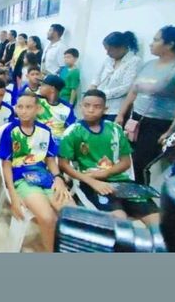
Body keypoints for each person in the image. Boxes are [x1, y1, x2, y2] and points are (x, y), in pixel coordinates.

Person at [59, 90, 159, 227]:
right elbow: (64, 165)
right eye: (87, 105)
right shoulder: (72, 132)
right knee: (119, 220)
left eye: (97, 106)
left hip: (122, 182)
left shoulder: (115, 130)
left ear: (105, 109)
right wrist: (93, 181)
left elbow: (126, 162)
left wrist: (104, 173)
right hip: (90, 183)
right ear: (81, 106)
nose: (91, 110)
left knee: (157, 221)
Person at [0, 92, 72, 252]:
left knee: (72, 214)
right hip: (22, 180)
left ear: (38, 109)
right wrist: (13, 195)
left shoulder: (45, 130)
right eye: (20, 107)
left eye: (28, 107)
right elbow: (6, 165)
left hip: (45, 177)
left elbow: (50, 159)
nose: (23, 111)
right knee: (48, 218)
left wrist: (59, 178)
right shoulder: (10, 131)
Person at [115, 26, 175, 183]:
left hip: (158, 125)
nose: (151, 44)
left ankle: (142, 194)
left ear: (170, 44)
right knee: (127, 159)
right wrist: (121, 114)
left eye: (156, 40)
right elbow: (133, 91)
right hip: (135, 120)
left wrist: (171, 130)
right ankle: (129, 191)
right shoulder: (148, 64)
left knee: (141, 164)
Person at [90, 31, 143, 120]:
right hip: (97, 105)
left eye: (110, 50)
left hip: (115, 110)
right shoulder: (108, 60)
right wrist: (92, 90)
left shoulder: (134, 61)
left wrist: (101, 94)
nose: (107, 53)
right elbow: (96, 77)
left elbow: (126, 87)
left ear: (122, 47)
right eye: (106, 50)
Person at [36, 75, 76, 143]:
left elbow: (71, 129)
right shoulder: (36, 100)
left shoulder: (67, 108)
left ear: (52, 89)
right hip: (38, 139)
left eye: (43, 85)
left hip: (57, 143)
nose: (40, 87)